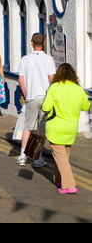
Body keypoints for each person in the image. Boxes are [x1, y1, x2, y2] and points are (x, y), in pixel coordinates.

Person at [42, 63, 90, 194]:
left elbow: (45, 107)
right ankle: (58, 179)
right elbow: (86, 106)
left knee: (61, 157)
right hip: (71, 128)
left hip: (56, 127)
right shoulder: (78, 89)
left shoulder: (54, 88)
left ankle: (69, 185)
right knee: (63, 156)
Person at [17, 33, 56, 167]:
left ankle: (22, 156)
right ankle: (37, 157)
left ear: (32, 43)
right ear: (44, 43)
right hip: (45, 98)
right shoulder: (49, 59)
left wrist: (27, 93)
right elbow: (52, 80)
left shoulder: (25, 59)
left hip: (31, 97)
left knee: (28, 127)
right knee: (41, 129)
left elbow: (20, 79)